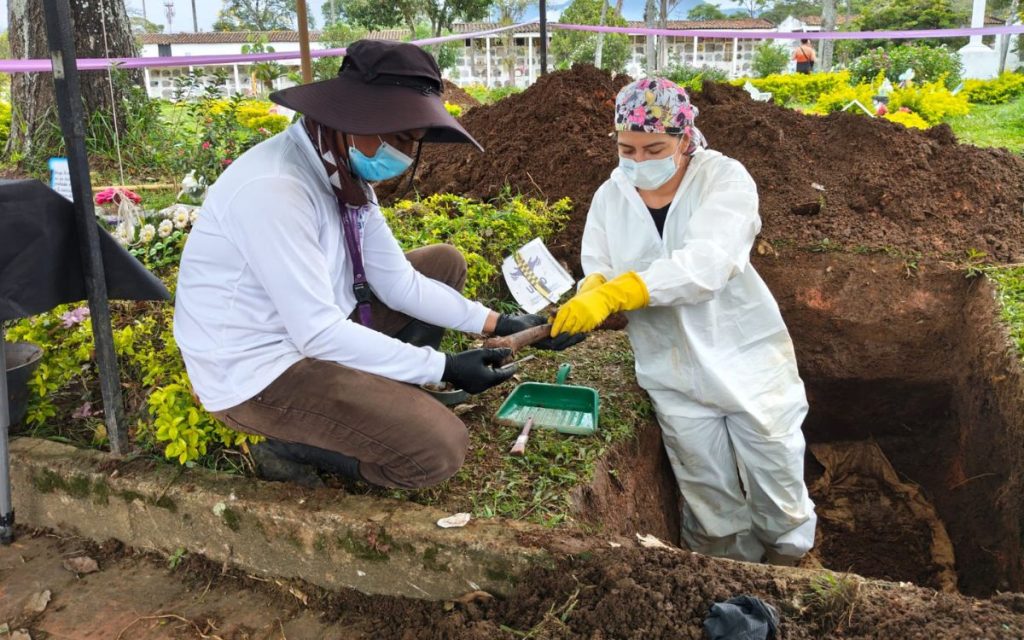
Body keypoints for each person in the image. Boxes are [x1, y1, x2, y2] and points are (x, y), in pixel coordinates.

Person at [173, 40, 582, 489]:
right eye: (400, 136)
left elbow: (400, 283)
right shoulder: (275, 190)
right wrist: (442, 366)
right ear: (354, 116)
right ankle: (292, 445)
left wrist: (498, 323)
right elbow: (318, 332)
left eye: (413, 141)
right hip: (259, 370)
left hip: (312, 328)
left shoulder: (341, 169)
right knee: (439, 448)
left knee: (442, 263)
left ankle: (388, 400)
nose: (405, 154)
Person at [550, 78, 816, 565]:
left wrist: (625, 290)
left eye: (654, 147)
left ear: (685, 137)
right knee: (709, 500)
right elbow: (601, 262)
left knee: (778, 488)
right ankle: (724, 575)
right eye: (627, 148)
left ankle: (790, 569)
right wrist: (596, 286)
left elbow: (709, 263)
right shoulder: (612, 194)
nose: (639, 161)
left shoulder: (724, 179)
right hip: (670, 371)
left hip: (747, 363)